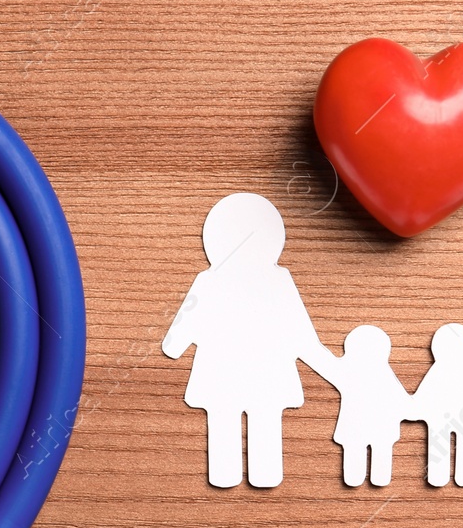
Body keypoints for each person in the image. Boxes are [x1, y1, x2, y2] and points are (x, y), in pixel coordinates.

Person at [163, 193, 336, 488]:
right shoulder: (273, 280)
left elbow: (175, 340)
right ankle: (262, 473)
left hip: (222, 373)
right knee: (258, 416)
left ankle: (229, 474)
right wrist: (329, 366)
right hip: (266, 372)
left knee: (227, 418)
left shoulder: (211, 280)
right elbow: (301, 335)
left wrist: (176, 346)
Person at [325, 325, 412, 487]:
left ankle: (365, 477)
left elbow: (326, 364)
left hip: (361, 428)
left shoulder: (350, 371)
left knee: (367, 453)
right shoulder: (375, 373)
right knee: (368, 453)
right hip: (376, 428)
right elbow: (402, 400)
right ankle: (366, 477)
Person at [411, 323, 463, 487]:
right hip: (454, 420)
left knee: (449, 446)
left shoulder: (442, 370)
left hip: (444, 420)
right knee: (460, 445)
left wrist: (413, 409)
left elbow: (422, 396)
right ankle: (452, 476)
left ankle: (444, 476)